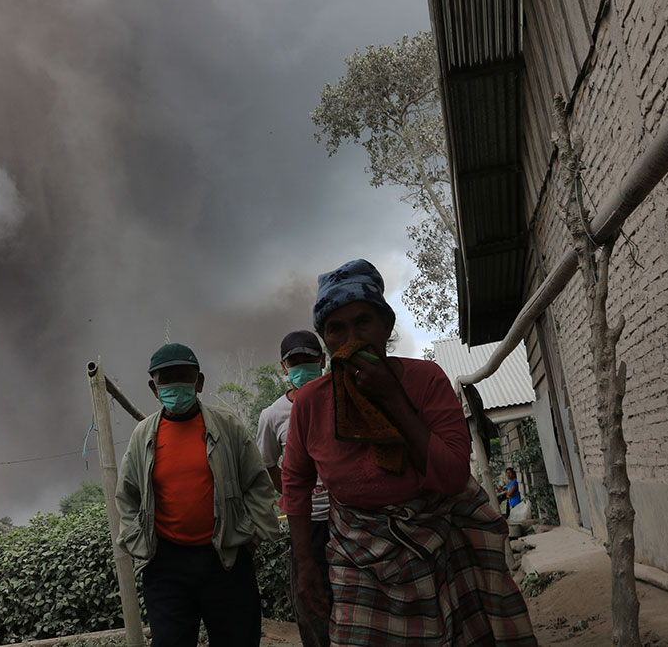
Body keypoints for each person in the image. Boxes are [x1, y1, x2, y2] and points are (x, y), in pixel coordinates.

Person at [280, 259, 536, 646]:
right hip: (356, 551)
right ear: (325, 340)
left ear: (386, 325)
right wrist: (304, 565)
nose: (351, 338)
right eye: (336, 328)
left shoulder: (426, 380)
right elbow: (295, 483)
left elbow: (451, 476)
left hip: (437, 537)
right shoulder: (311, 403)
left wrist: (392, 400)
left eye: (363, 322)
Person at [115, 342, 279, 647]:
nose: (176, 385)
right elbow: (127, 496)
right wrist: (141, 546)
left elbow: (258, 484)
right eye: (166, 378)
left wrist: (250, 537)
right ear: (154, 387)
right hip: (166, 566)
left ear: (199, 381)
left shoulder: (227, 426)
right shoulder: (144, 436)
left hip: (226, 559)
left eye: (183, 375)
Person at [255, 330, 330, 647]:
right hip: (307, 526)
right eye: (294, 362)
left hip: (349, 517)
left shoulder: (342, 397)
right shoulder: (272, 416)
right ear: (284, 368)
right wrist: (290, 497)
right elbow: (268, 462)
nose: (302, 367)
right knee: (312, 602)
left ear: (322, 361)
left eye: (308, 361)